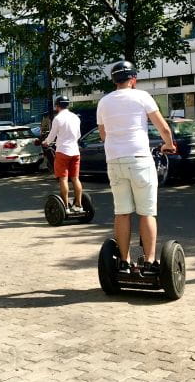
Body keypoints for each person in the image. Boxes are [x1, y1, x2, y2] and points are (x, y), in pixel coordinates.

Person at [96, 61, 177, 274]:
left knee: (121, 213)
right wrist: (168, 145)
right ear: (133, 79)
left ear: (114, 80)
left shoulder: (103, 102)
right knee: (147, 213)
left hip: (114, 161)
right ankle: (149, 262)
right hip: (139, 158)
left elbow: (103, 135)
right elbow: (164, 128)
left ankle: (123, 262)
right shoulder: (142, 96)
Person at [44, 95, 84, 212]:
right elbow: (78, 135)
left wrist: (45, 142)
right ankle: (78, 205)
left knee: (63, 179)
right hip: (75, 152)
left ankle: (65, 206)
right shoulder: (76, 118)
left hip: (62, 152)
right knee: (75, 178)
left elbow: (51, 136)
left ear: (57, 106)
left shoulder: (58, 118)